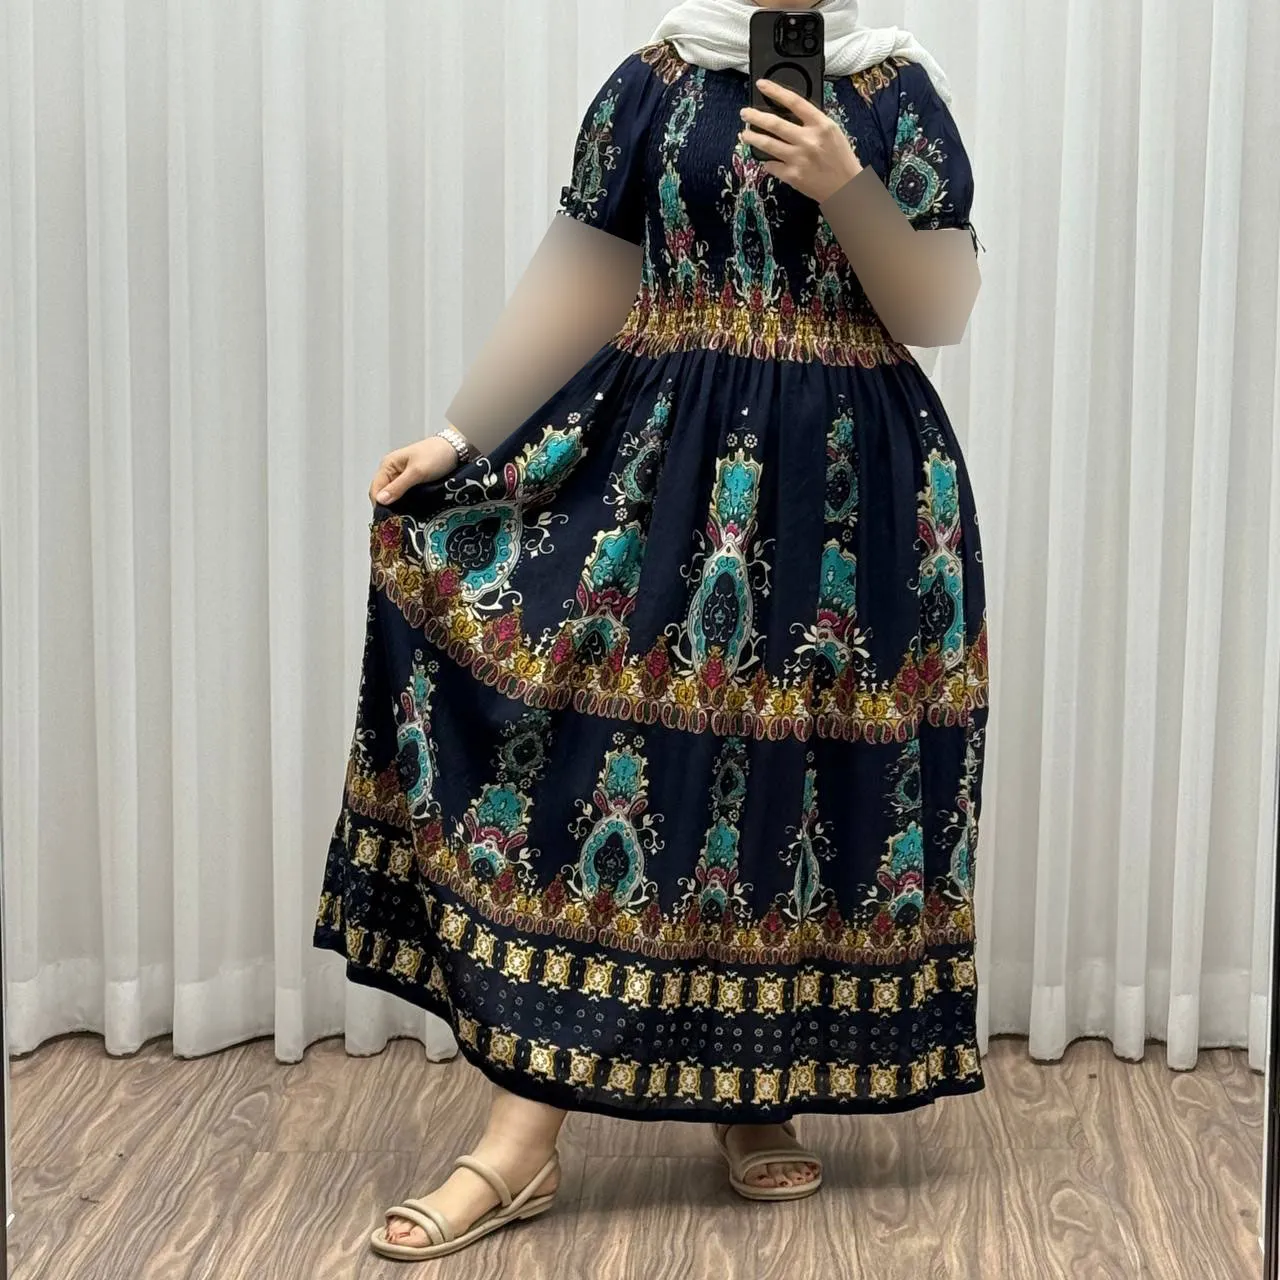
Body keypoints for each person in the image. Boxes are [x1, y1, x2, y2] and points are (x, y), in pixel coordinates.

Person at [311, 0, 991, 1261]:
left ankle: (754, 1090)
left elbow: (937, 308)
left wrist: (845, 186)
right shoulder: (654, 81)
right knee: (604, 763)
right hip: (661, 463)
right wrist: (460, 436)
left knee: (792, 786)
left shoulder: (896, 91)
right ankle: (520, 1136)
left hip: (852, 486)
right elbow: (581, 276)